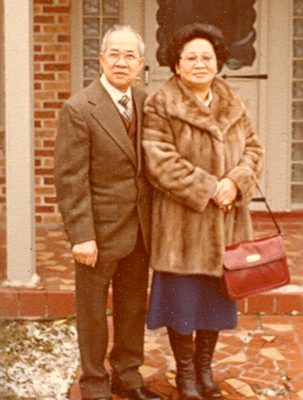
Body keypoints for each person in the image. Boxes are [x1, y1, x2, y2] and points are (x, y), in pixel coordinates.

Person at [142, 23, 264, 400]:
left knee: (214, 300)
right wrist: (211, 187)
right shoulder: (161, 104)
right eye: (190, 57)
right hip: (182, 226)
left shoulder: (233, 102)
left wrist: (236, 181)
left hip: (226, 224)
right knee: (181, 303)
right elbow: (159, 161)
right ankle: (185, 375)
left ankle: (204, 368)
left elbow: (254, 150)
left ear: (218, 63)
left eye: (207, 57)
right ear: (176, 65)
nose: (199, 64)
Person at [54, 25, 161, 400]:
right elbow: (70, 178)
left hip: (139, 230)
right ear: (101, 59)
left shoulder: (147, 102)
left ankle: (128, 378)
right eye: (114, 54)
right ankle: (95, 383)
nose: (121, 61)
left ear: (141, 64)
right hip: (97, 233)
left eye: (129, 55)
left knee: (133, 307)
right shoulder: (80, 108)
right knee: (94, 314)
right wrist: (81, 235)